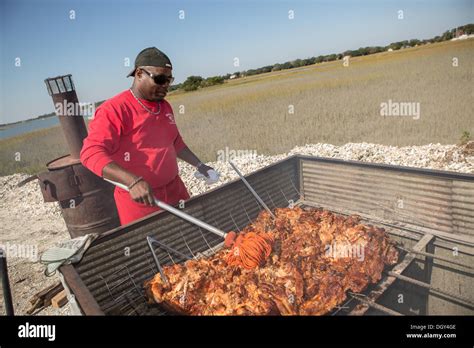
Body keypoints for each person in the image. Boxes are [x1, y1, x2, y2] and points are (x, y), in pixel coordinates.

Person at [80, 47, 217, 225]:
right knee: (153, 248)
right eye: (160, 79)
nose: (165, 86)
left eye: (169, 80)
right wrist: (132, 182)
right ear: (139, 74)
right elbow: (90, 153)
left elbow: (175, 143)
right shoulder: (114, 109)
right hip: (141, 201)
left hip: (176, 190)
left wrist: (200, 165)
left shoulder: (164, 106)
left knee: (193, 239)